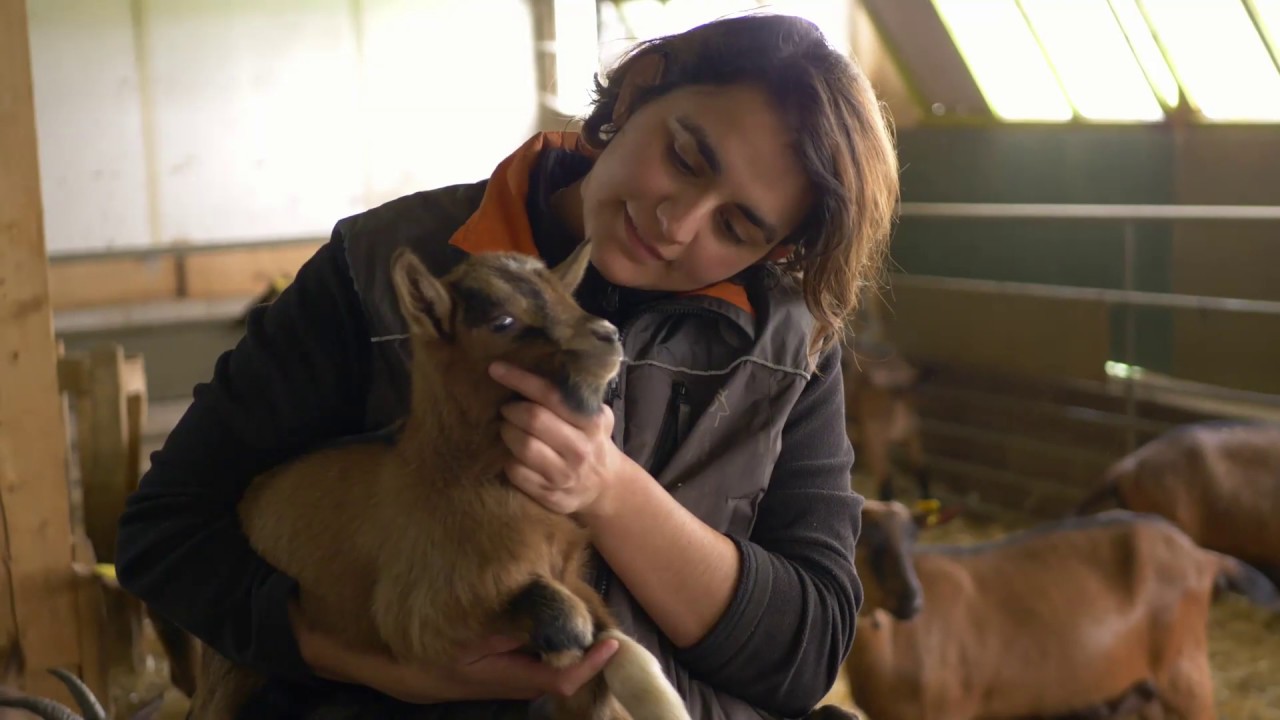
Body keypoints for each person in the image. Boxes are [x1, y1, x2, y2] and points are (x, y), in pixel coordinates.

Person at [115, 11, 900, 720]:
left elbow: (805, 655)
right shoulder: (379, 269)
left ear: (776, 251)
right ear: (638, 90)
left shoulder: (788, 346)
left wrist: (610, 492)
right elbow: (166, 535)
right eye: (686, 156)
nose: (677, 222)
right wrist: (371, 662)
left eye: (737, 227)